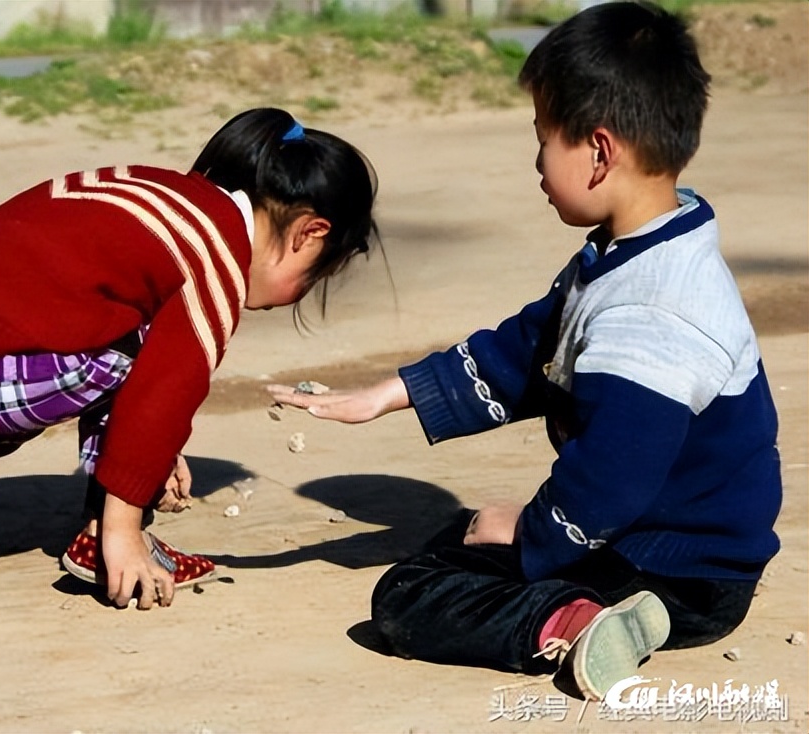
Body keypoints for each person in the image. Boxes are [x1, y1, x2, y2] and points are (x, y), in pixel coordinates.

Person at [269, 2, 781, 701]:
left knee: (410, 594)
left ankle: (577, 620)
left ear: (599, 152)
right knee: (458, 537)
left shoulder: (652, 311)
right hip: (678, 549)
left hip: (676, 567)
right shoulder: (643, 246)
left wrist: (535, 530)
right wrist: (387, 395)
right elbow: (531, 347)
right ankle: (593, 606)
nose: (537, 162)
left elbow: (615, 474)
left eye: (543, 138)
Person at [0, 107, 379, 612]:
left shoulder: (151, 186)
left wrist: (156, 458)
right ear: (309, 233)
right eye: (314, 276)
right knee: (142, 361)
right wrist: (128, 514)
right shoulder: (215, 259)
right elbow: (160, 398)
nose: (300, 294)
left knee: (74, 343)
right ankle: (104, 537)